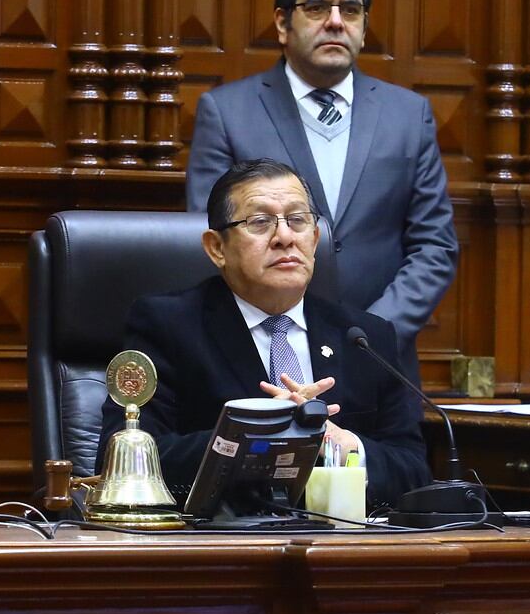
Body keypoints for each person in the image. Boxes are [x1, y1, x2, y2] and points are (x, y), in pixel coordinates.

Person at [184, 0, 457, 369]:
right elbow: (217, 238)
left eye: (350, 9)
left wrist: (372, 332)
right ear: (282, 23)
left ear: (364, 27)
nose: (335, 21)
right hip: (267, 353)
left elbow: (434, 245)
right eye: (315, 7)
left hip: (379, 358)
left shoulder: (408, 115)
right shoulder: (226, 113)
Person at [104, 158, 431, 508]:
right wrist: (254, 434)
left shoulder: (364, 337)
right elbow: (124, 462)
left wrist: (346, 447)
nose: (285, 237)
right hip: (225, 545)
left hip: (344, 546)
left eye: (298, 220)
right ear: (217, 248)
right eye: (260, 222)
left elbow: (413, 470)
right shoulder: (167, 325)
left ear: (315, 238)